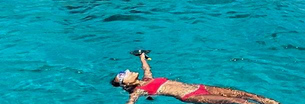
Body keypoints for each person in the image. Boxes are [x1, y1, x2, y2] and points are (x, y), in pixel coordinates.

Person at [111, 52, 280, 104]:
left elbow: (146, 67)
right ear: (125, 83)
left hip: (199, 86)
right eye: (123, 74)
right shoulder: (139, 90)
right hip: (192, 96)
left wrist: (141, 56)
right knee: (238, 102)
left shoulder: (147, 79)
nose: (126, 71)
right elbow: (130, 102)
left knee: (242, 94)